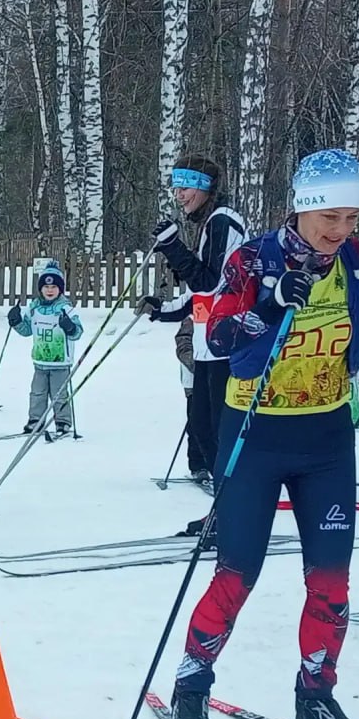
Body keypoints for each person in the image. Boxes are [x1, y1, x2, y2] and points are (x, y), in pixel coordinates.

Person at [171, 148, 359, 719]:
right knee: (236, 573)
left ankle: (316, 695)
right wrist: (270, 305)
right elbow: (217, 340)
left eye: (351, 216)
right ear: (301, 207)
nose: (339, 229)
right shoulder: (254, 260)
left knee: (331, 581)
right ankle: (191, 687)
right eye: (329, 215)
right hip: (254, 433)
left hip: (325, 441)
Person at [139, 156, 247, 487]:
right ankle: (225, 502)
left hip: (227, 345)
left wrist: (172, 246)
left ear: (204, 187)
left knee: (217, 429)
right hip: (206, 346)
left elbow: (210, 281)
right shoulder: (210, 222)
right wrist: (163, 309)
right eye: (175, 187)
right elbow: (200, 295)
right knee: (200, 426)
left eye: (184, 187)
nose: (178, 194)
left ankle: (233, 501)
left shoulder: (223, 221)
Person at [7, 262, 83, 435]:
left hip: (60, 362)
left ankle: (62, 421)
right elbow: (27, 330)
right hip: (40, 361)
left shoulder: (65, 308)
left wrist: (70, 327)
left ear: (60, 289)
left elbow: (77, 332)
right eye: (46, 286)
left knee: (59, 394)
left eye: (54, 287)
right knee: (37, 393)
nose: (50, 290)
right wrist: (16, 322)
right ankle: (36, 420)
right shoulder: (34, 308)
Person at [176, 317, 209, 481]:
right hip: (194, 379)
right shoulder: (192, 316)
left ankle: (215, 463)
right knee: (197, 422)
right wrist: (199, 366)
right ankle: (198, 465)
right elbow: (183, 344)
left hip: (218, 376)